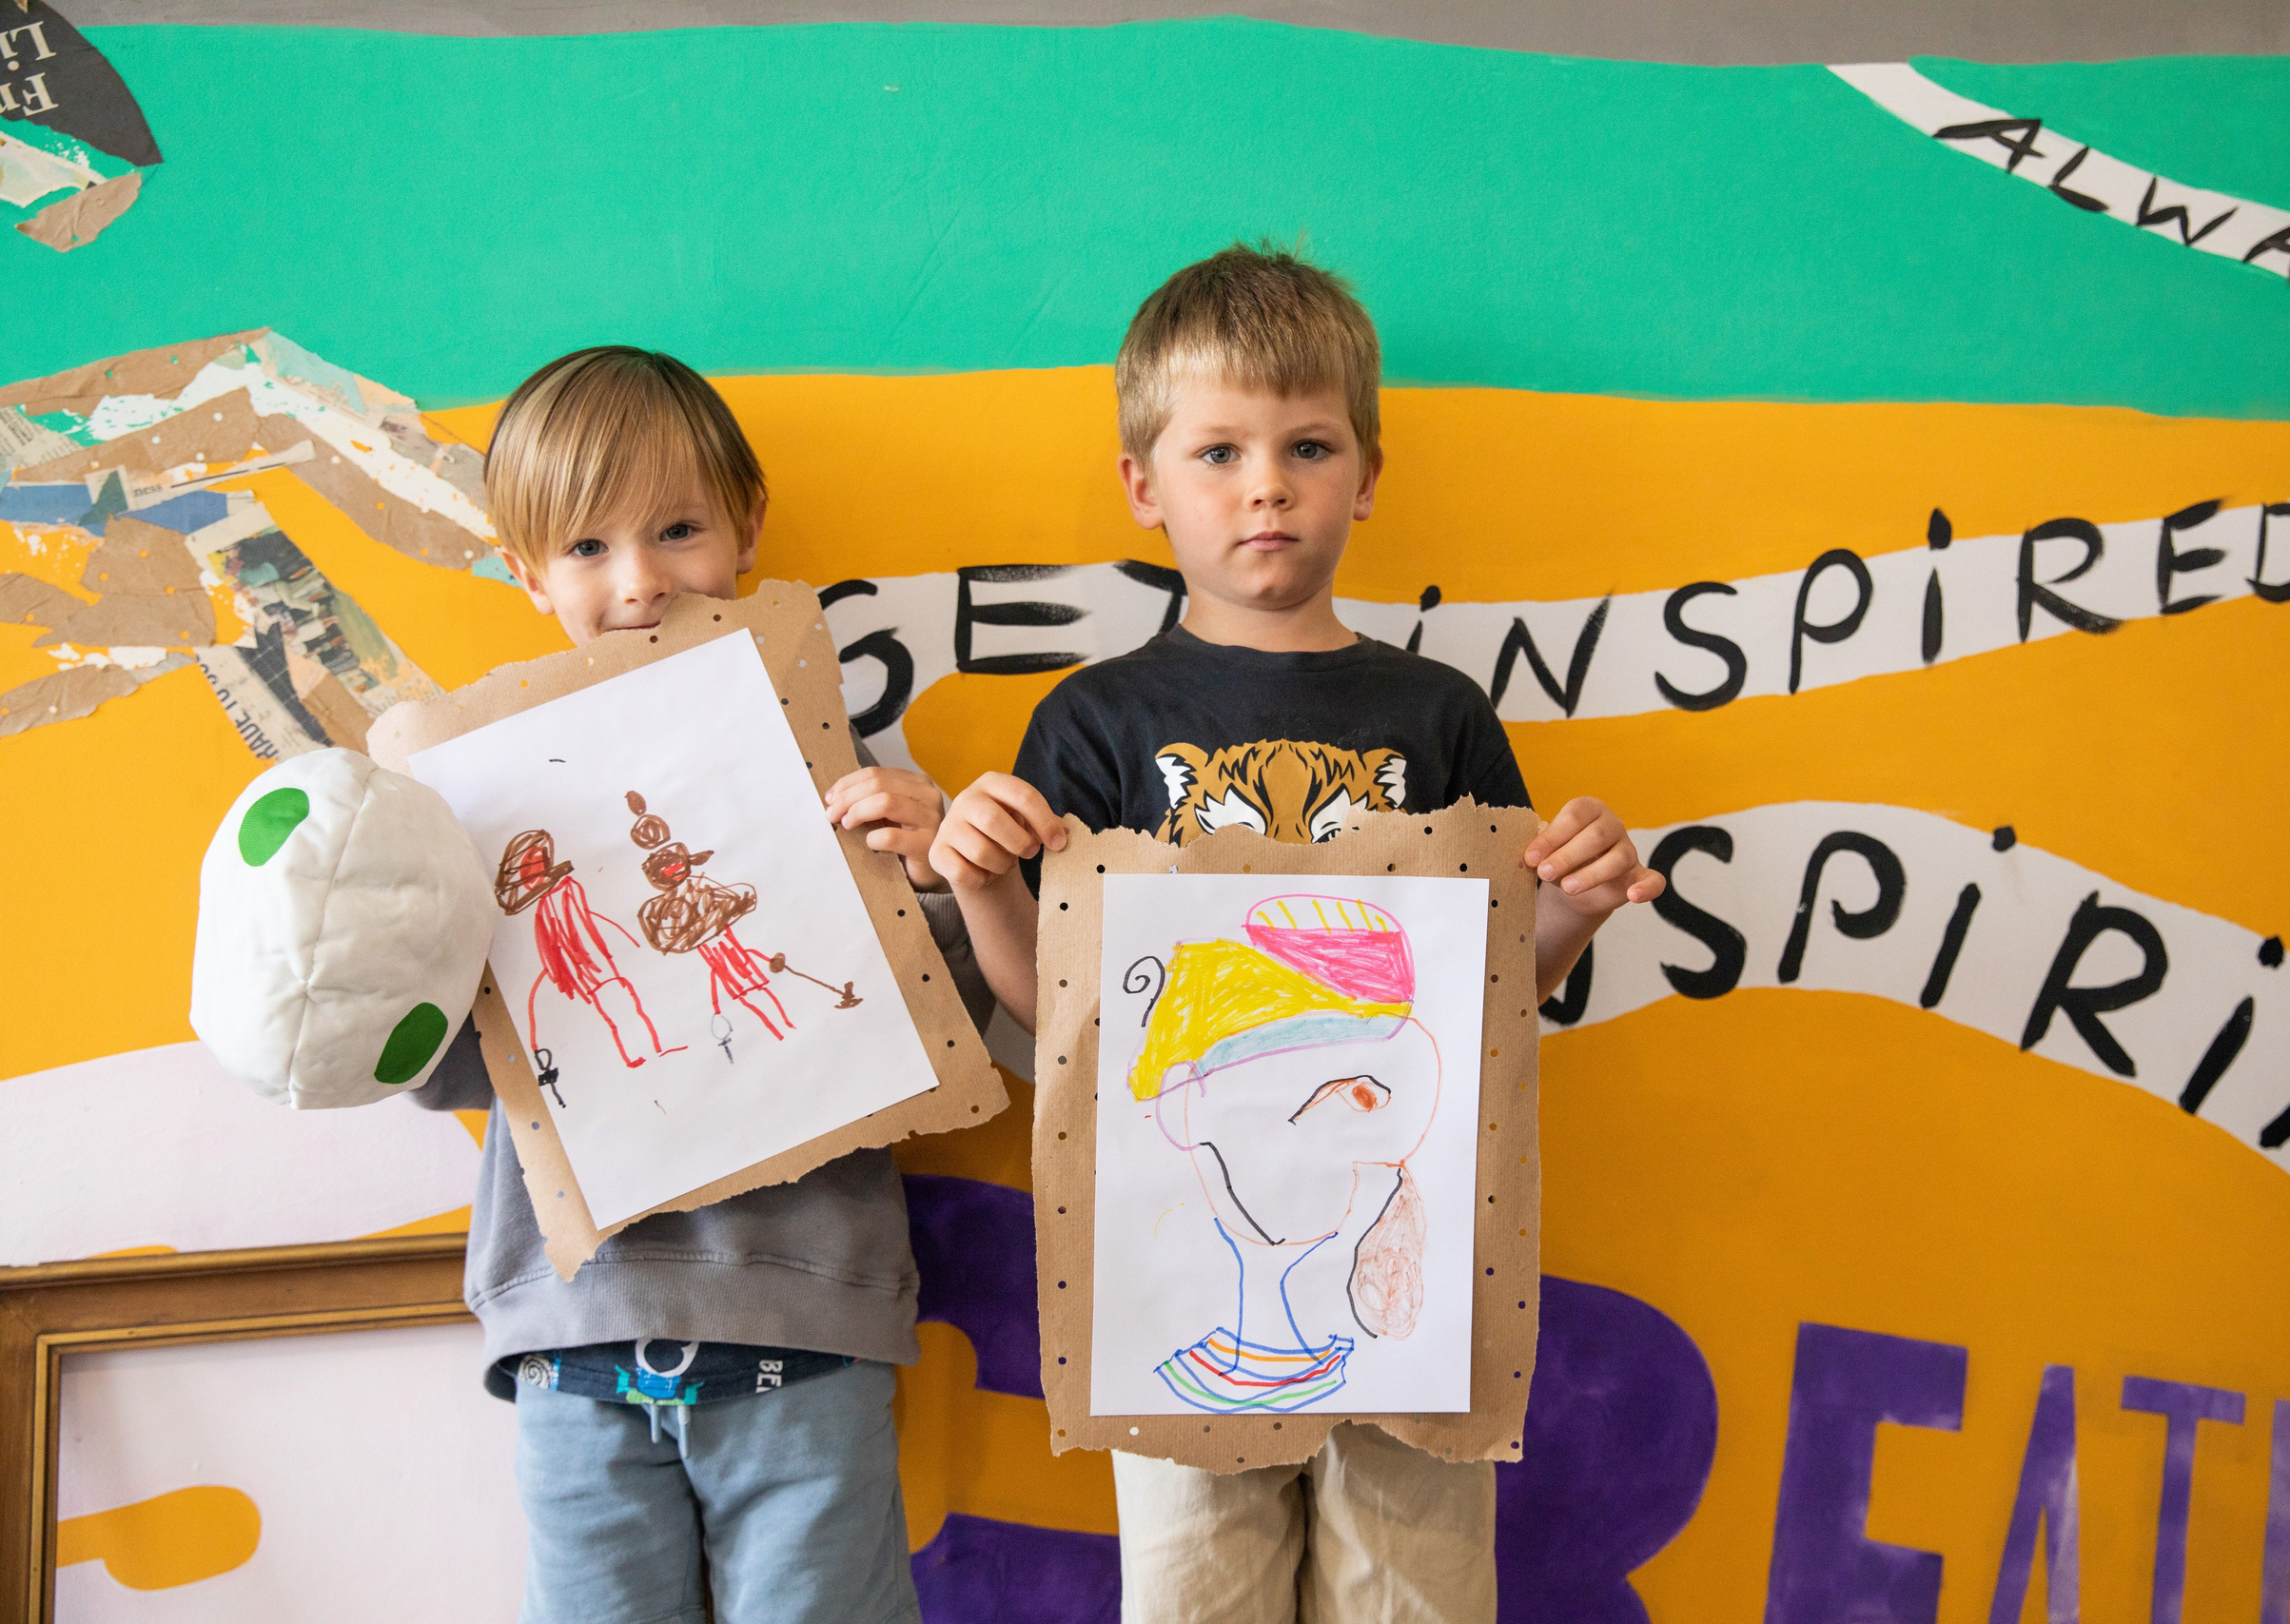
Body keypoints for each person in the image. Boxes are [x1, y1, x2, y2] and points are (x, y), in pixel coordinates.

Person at [930, 245, 1667, 1623]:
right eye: (1218, 450)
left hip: (1411, 1284)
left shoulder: (1441, 716)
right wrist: (980, 889)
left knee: (1415, 1594)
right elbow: (1062, 1022)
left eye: (1308, 445)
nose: (1265, 482)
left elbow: (1492, 1000)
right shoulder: (1093, 724)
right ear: (1143, 485)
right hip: (1174, 1287)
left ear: (1367, 476)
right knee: (1197, 1593)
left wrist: (1569, 900)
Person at [421, 345, 978, 1624]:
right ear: (525, 572)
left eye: (678, 530)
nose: (639, 585)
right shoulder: (486, 805)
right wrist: (409, 937)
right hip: (574, 1334)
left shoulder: (837, 767)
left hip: (809, 1325)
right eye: (585, 550)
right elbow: (453, 1071)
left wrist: (940, 862)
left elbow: (954, 1027)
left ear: (747, 525)